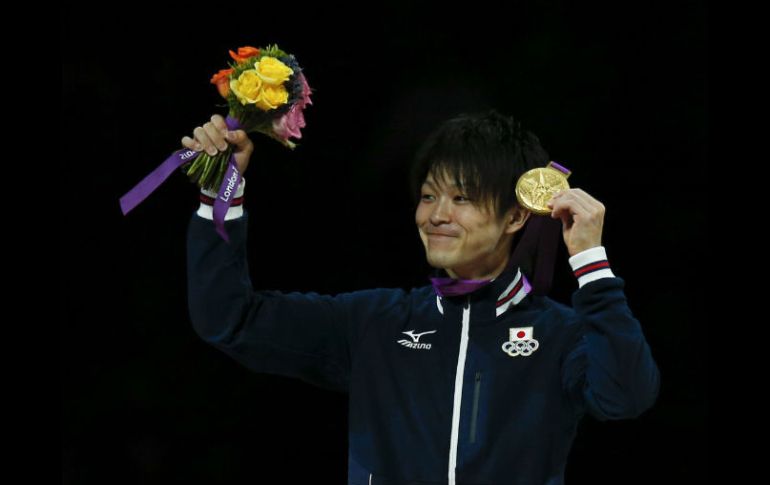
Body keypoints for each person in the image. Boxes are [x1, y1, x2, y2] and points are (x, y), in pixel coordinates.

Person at [183, 110, 660, 485]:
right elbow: (229, 319)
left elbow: (625, 396)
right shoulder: (375, 322)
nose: (437, 215)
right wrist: (221, 192)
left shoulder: (560, 334)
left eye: (462, 198)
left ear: (516, 218)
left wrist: (592, 266)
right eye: (429, 196)